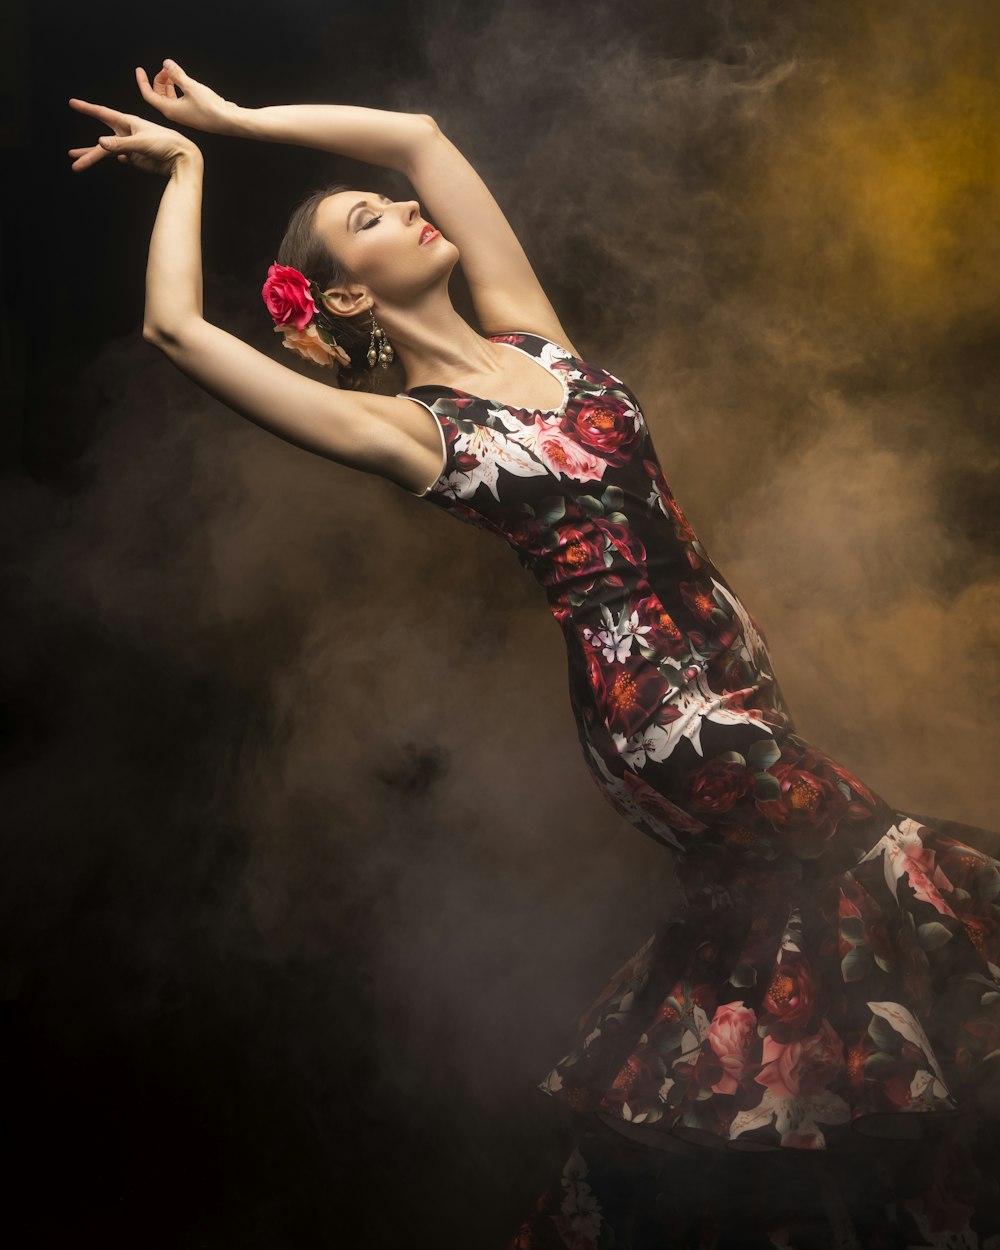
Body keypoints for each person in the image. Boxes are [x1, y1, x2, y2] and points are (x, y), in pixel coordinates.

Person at [68, 61, 1000, 1248]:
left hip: (737, 674)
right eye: (369, 222)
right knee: (887, 871)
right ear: (348, 301)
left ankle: (765, 1203)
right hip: (663, 715)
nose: (408, 210)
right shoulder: (416, 434)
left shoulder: (539, 343)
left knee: (791, 928)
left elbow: (416, 136)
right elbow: (173, 328)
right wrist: (190, 169)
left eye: (390, 204)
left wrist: (237, 119)